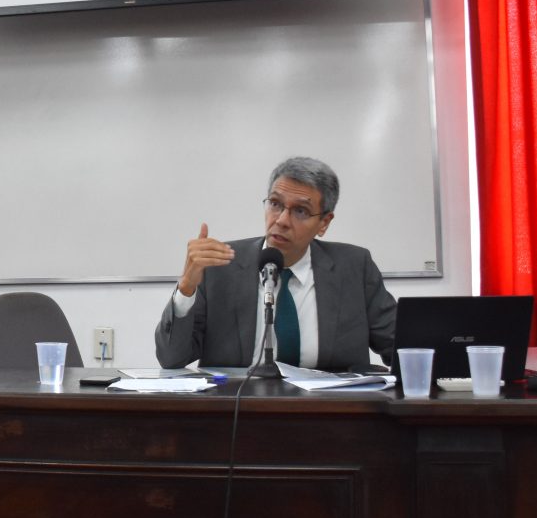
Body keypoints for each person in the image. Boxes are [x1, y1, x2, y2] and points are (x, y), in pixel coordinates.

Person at [154, 156, 396, 372]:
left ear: (324, 222)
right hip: (236, 410)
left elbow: (402, 348)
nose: (281, 220)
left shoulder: (354, 267)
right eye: (275, 204)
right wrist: (186, 288)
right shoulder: (220, 266)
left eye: (300, 211)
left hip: (330, 411)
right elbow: (171, 359)